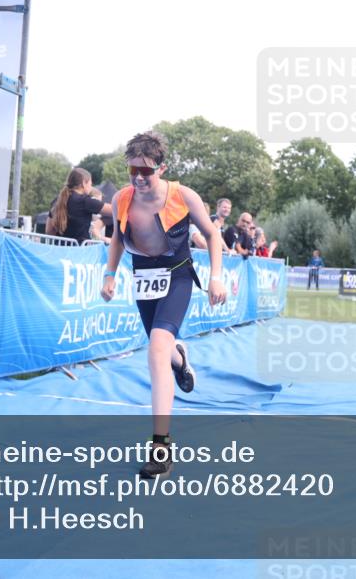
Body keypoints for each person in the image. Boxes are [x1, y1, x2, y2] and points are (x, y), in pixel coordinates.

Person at [99, 131, 227, 479]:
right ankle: (180, 358)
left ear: (162, 168)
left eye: (147, 171)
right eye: (133, 171)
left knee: (155, 350)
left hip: (177, 275)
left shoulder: (183, 196)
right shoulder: (124, 199)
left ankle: (161, 447)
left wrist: (216, 277)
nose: (139, 178)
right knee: (162, 348)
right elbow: (116, 239)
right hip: (144, 277)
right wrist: (110, 274)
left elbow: (213, 235)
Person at [46, 168, 113, 244]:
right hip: (80, 252)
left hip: (60, 250)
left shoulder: (57, 200)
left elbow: (49, 231)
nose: (91, 187)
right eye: (90, 184)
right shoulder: (86, 201)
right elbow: (115, 210)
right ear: (84, 183)